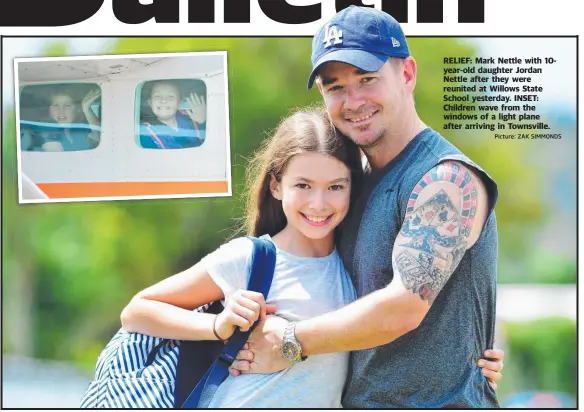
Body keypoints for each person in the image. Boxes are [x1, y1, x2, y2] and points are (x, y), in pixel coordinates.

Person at [120, 110, 503, 408]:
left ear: (354, 187)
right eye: (302, 186)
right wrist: (219, 326)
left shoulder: (355, 267)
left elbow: (393, 323)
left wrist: (467, 363)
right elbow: (138, 310)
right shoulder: (252, 257)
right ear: (276, 185)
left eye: (336, 187)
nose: (319, 204)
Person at [228, 6, 504, 408]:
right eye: (334, 86)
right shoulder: (346, 187)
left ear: (407, 74)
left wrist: (288, 341)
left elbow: (403, 307)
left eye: (367, 79)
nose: (353, 100)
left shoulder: (446, 179)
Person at [25, 87, 101, 152]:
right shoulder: (47, 134)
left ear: (77, 109)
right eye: (56, 106)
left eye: (67, 106)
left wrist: (87, 109)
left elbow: (99, 138)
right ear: (50, 110)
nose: (61, 111)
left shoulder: (81, 130)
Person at [139, 80, 206, 149]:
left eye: (170, 96)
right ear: (150, 102)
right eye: (157, 96)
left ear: (179, 103)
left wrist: (202, 121)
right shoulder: (144, 133)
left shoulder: (192, 119)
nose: (163, 100)